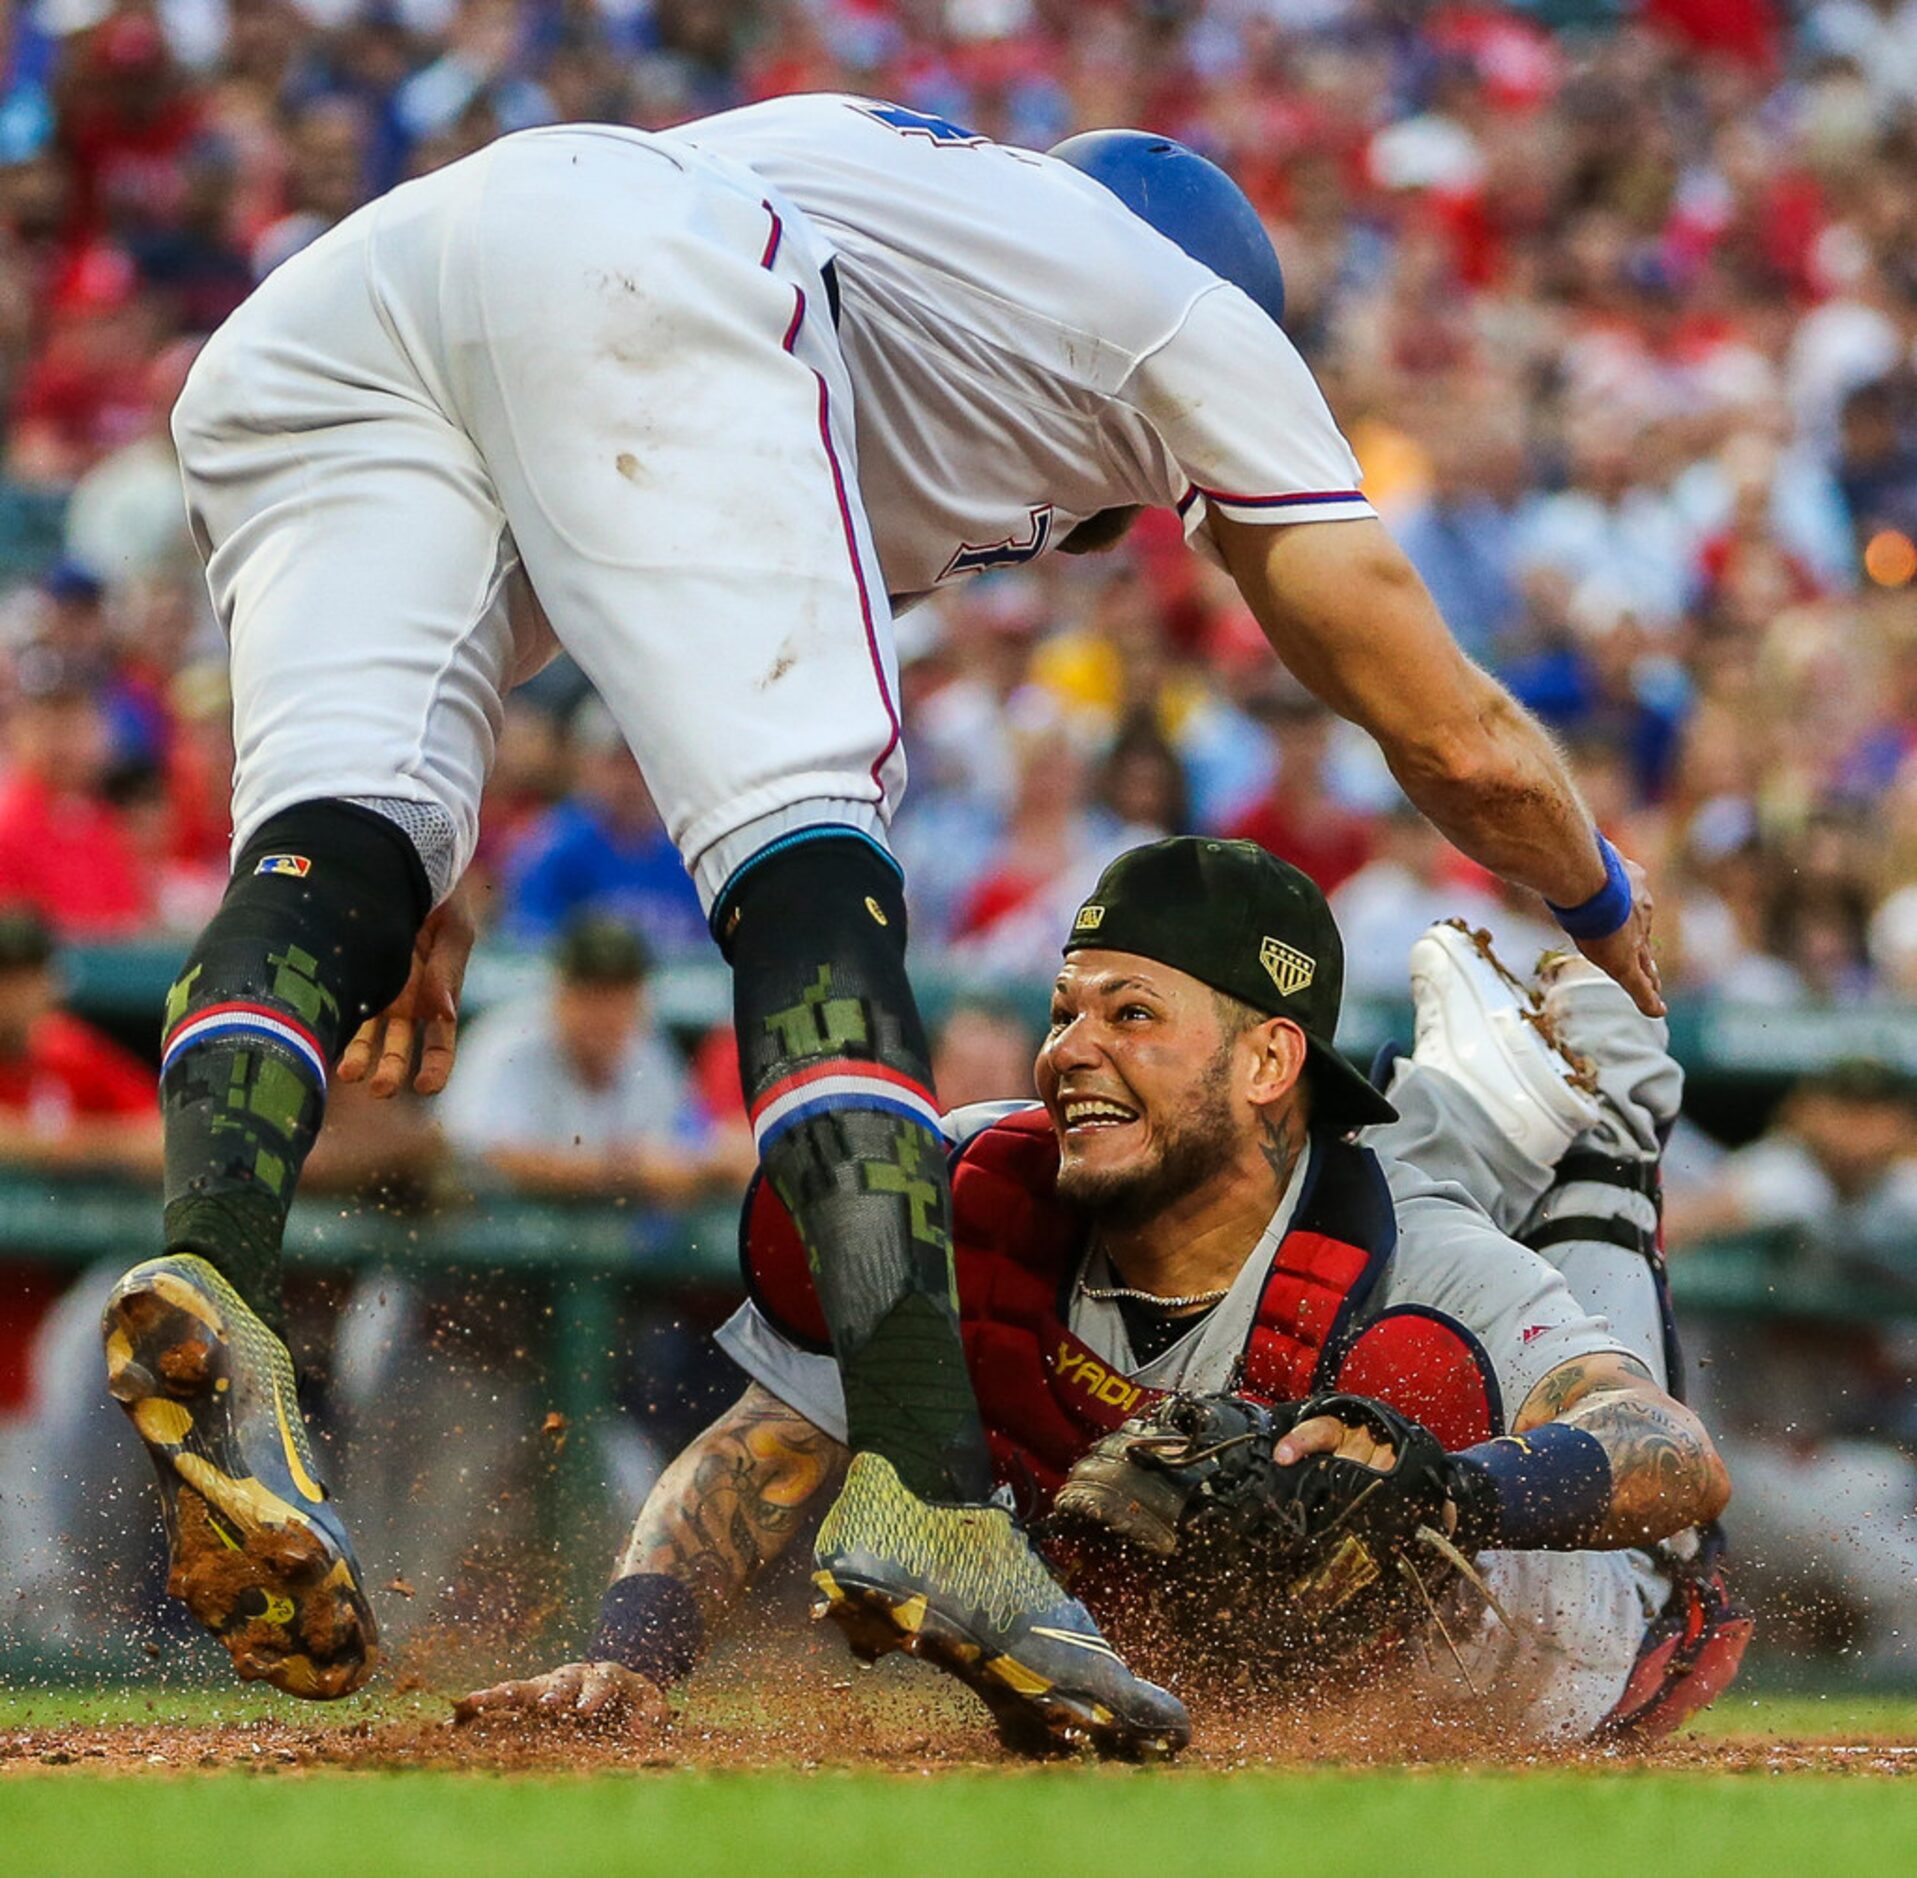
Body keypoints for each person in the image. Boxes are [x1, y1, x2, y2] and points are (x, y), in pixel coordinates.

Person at [106, 96, 1656, 1752]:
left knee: (341, 844)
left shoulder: (914, 211)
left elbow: (542, 350)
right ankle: (928, 1493)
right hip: (637, 247)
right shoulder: (1174, 305)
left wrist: (443, 848)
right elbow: (1445, 727)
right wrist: (1602, 900)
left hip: (340, 308)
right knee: (804, 846)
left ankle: (215, 1273)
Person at [459, 840, 1737, 1747]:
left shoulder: (1422, 1265)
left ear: (1269, 1053)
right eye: (1066, 1009)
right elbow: (761, 1448)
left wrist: (1452, 1487)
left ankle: (1607, 1118)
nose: (1070, 1048)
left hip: (1565, 1649)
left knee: (1478, 1345)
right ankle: (1465, 1095)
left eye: (1131, 1013)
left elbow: (1673, 1456)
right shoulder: (978, 1194)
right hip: (1219, 1640)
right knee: (1279, 1195)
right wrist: (629, 1656)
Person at [441, 913, 753, 1204]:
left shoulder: (646, 1048)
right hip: (493, 1235)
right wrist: (626, 1172)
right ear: (561, 990)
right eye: (592, 995)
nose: (605, 1015)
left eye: (618, 996)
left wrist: (715, 1158)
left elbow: (679, 1148)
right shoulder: (507, 1040)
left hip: (617, 1241)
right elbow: (485, 1153)